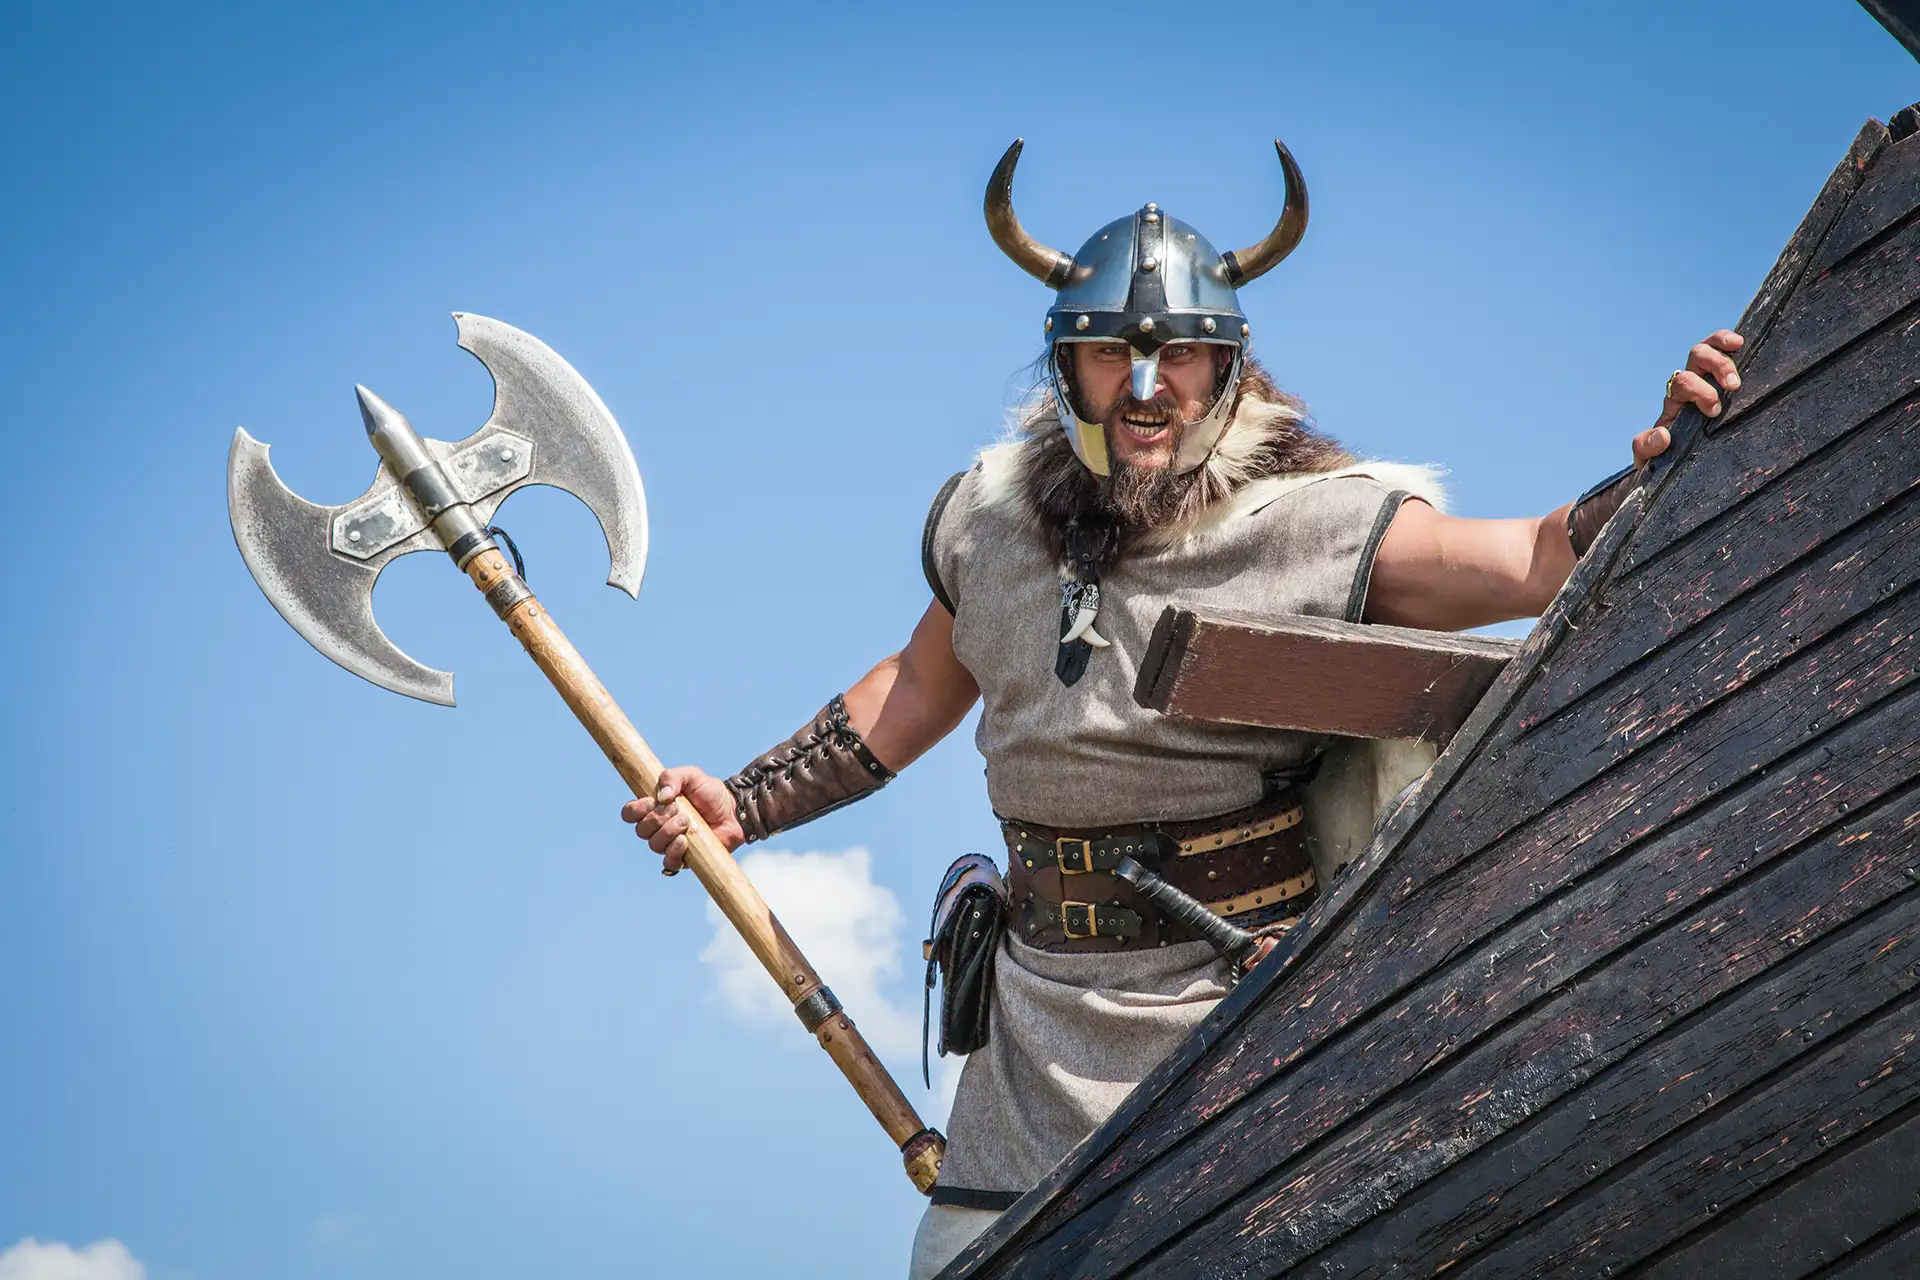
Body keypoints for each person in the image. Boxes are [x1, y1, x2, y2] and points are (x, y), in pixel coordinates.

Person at [619, 139, 1742, 1278]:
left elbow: (1527, 561)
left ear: (1228, 369)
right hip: (1034, 1024)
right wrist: (743, 803)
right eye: (1113, 353)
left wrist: (1654, 457)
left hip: (1239, 1013)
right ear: (1067, 366)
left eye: (1183, 357)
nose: (1148, 387)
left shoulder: (1316, 521)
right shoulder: (992, 525)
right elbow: (912, 690)